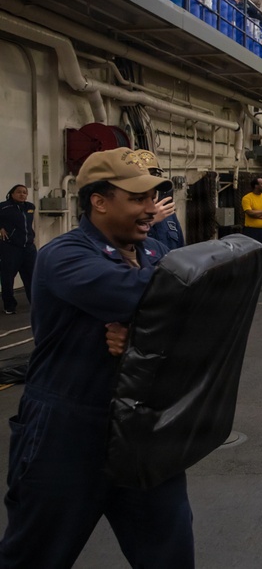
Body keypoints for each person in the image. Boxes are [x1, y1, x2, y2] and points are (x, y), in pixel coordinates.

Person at [0, 148, 194, 567]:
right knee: (34, 556)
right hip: (66, 432)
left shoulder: (154, 256)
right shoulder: (65, 256)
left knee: (170, 555)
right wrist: (161, 323)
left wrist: (145, 337)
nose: (150, 210)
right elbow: (148, 295)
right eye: (138, 198)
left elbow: (196, 318)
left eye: (153, 198)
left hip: (142, 432)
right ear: (99, 201)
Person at [0, 185, 36, 315]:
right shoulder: (3, 207)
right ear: (12, 193)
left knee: (32, 277)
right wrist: (1, 227)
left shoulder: (30, 207)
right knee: (8, 278)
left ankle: (36, 303)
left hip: (29, 248)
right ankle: (9, 306)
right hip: (11, 247)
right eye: (19, 192)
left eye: (25, 192)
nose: (22, 194)